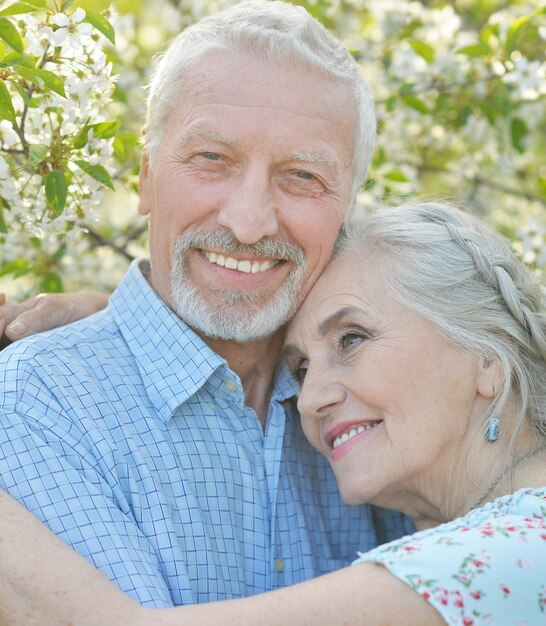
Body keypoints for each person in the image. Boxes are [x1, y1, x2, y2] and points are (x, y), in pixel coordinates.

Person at [0, 0, 411, 609]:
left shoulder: (385, 400)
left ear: (348, 207)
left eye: (301, 176)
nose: (248, 223)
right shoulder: (36, 403)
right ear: (144, 176)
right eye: (211, 160)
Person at [2, 201, 544, 625]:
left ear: (487, 356)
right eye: (302, 369)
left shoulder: (513, 552)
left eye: (352, 339)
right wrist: (120, 324)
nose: (309, 400)